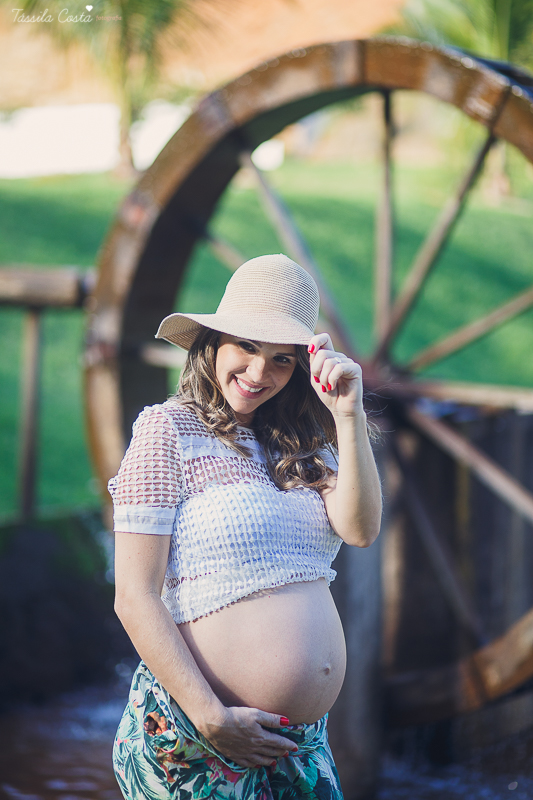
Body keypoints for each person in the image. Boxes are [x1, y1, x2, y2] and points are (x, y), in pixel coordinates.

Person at [110, 254, 382, 800]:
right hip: (202, 735)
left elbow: (360, 529)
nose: (260, 373)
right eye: (247, 347)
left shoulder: (303, 444)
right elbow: (134, 597)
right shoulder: (166, 430)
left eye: (282, 359)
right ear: (211, 343)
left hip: (299, 746)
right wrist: (210, 715)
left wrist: (347, 416)